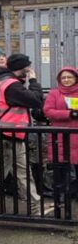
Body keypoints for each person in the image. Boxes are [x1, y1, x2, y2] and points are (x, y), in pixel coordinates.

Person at [0, 53, 46, 214]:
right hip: (9, 135)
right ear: (22, 67)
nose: (29, 69)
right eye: (27, 66)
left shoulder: (3, 81)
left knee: (16, 173)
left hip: (8, 134)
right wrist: (33, 81)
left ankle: (34, 207)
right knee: (2, 173)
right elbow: (36, 100)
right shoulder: (11, 85)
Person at [42, 66, 78, 208]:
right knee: (61, 170)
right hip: (61, 137)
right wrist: (68, 114)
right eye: (63, 78)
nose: (66, 80)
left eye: (69, 77)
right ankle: (61, 198)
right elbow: (48, 111)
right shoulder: (54, 93)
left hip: (76, 135)